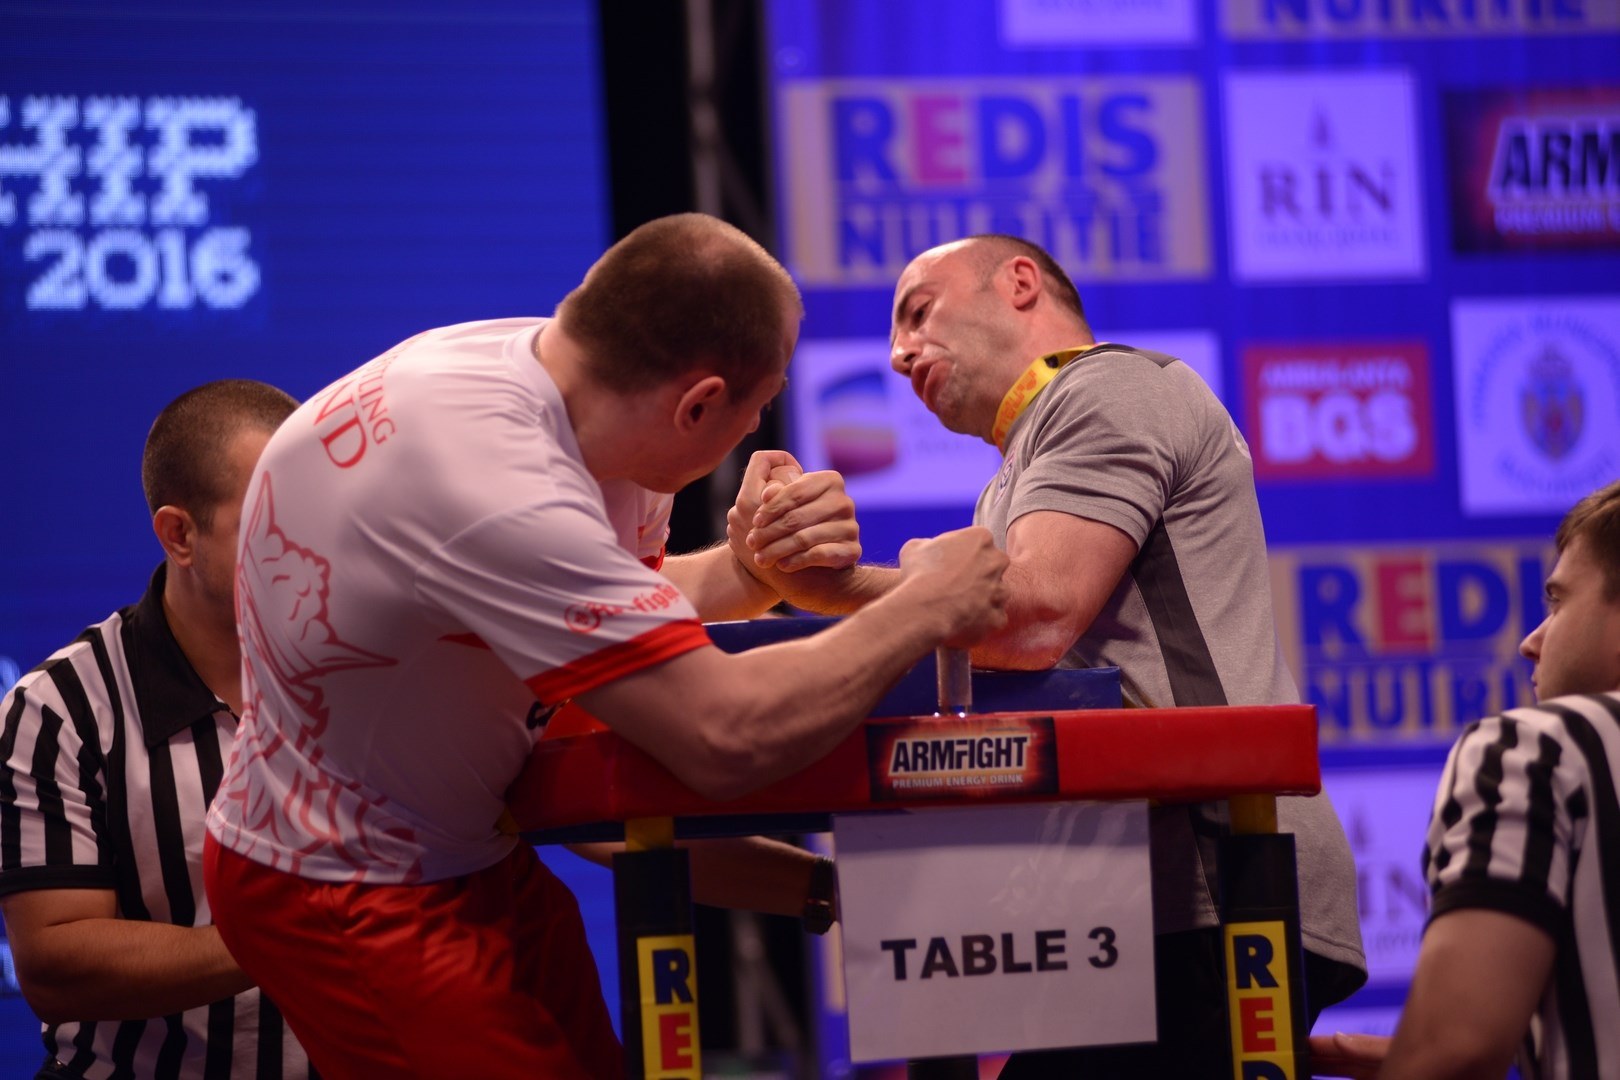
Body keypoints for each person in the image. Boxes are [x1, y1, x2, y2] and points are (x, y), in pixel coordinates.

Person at [201, 213, 1009, 1080]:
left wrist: (750, 571)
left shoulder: (579, 387)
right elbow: (722, 735)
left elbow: (583, 606)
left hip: (464, 845)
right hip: (342, 881)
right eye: (759, 400)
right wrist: (929, 602)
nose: (756, 427)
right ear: (698, 401)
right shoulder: (496, 485)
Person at [741, 233, 1366, 1077]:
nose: (897, 355)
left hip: (1220, 882)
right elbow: (990, 638)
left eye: (918, 314)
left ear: (1022, 284)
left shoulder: (1106, 388)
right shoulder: (1010, 479)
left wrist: (848, 591)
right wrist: (833, 591)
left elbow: (1031, 619)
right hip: (1135, 901)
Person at [0, 380, 311, 1079]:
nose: (308, 549)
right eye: (271, 522)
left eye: (317, 513)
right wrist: (286, 941)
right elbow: (55, 966)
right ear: (179, 534)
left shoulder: (369, 670)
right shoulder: (61, 709)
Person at [1310, 478, 1620, 1080]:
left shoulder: (1532, 749)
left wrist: (1421, 1061)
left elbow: (1457, 1052)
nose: (1532, 641)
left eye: (1558, 601)